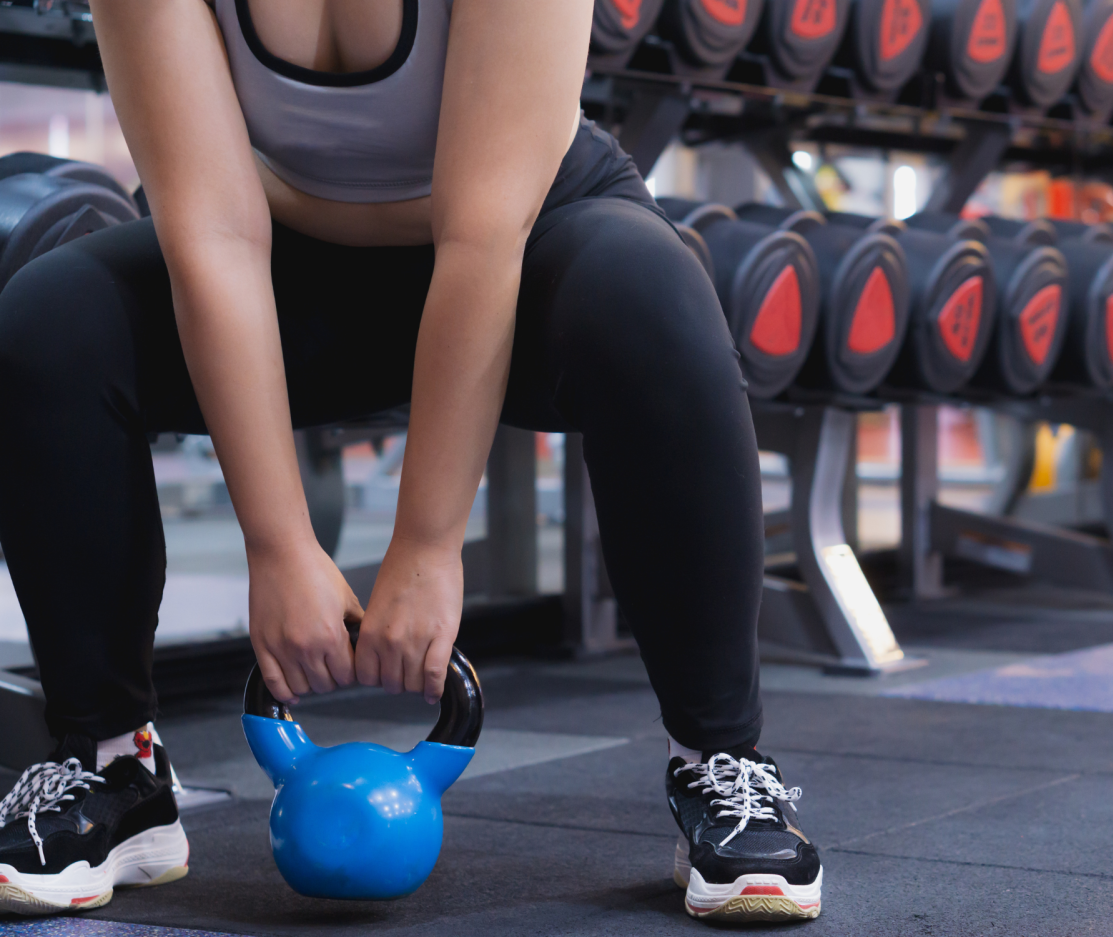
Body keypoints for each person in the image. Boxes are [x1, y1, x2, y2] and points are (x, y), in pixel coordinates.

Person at [0, 0, 821, 922]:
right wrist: (277, 545)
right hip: (283, 258)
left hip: (524, 246)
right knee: (50, 322)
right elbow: (215, 236)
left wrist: (428, 547)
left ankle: (719, 757)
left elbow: (479, 237)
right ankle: (113, 764)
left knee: (652, 292)